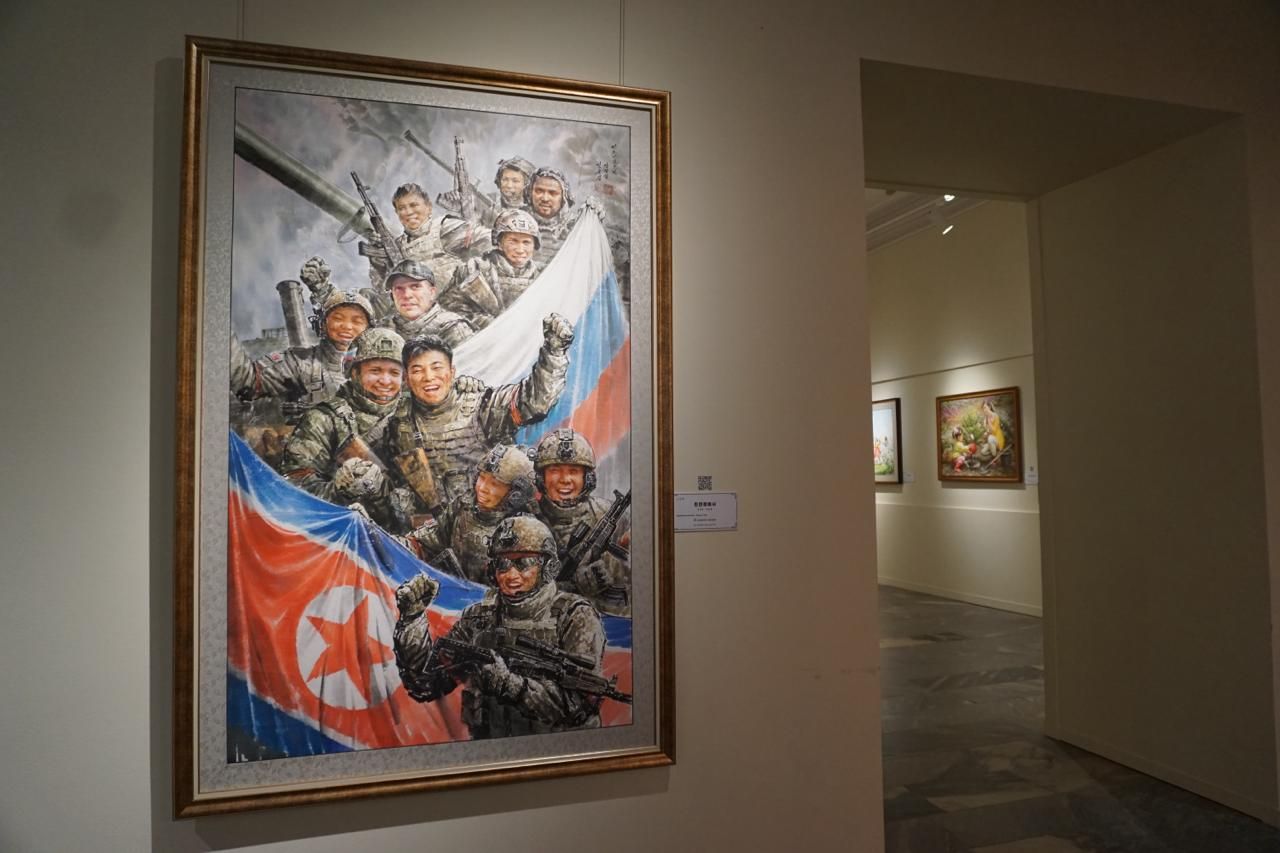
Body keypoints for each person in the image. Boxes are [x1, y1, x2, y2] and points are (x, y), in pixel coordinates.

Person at [393, 515, 607, 739]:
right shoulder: (479, 617)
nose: (511, 575)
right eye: (502, 564)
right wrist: (412, 619)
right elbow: (425, 684)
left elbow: (579, 705)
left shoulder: (575, 616)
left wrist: (511, 686)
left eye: (523, 563)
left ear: (548, 567)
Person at [380, 317, 573, 515]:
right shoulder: (398, 423)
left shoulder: (482, 406)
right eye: (417, 370)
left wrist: (554, 353)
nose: (428, 377)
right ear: (406, 379)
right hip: (439, 526)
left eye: (436, 368)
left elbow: (534, 401)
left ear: (452, 372)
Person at [278, 327, 405, 509]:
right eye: (375, 371)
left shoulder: (413, 414)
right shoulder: (323, 419)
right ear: (354, 373)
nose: (385, 381)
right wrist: (339, 491)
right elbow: (294, 489)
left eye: (394, 373)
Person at [402, 444, 538, 584]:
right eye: (482, 478)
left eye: (494, 484)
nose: (482, 488)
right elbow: (433, 537)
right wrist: (406, 545)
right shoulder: (463, 506)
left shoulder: (525, 531)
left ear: (515, 494)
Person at [533, 428, 631, 615]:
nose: (565, 480)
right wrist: (573, 586)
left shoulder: (609, 515)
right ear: (541, 478)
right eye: (555, 470)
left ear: (587, 478)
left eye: (574, 471)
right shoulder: (527, 521)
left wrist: (612, 565)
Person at [229, 288, 373, 408]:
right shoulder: (297, 362)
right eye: (338, 318)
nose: (347, 326)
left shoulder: (380, 368)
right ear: (323, 324)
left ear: (369, 329)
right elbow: (248, 383)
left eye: (357, 321)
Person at [365, 182, 482, 299]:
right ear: (397, 213)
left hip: (457, 299)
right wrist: (378, 264)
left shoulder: (444, 228)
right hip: (420, 305)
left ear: (428, 207)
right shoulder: (396, 246)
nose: (408, 212)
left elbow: (482, 240)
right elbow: (382, 291)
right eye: (401, 208)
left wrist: (467, 212)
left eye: (414, 205)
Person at [439, 208, 542, 330]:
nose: (520, 250)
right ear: (499, 242)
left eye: (526, 242)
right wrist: (484, 322)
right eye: (513, 241)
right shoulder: (474, 270)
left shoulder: (542, 276)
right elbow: (448, 308)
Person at [383, 259, 475, 346]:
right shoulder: (385, 330)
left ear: (432, 292)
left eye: (415, 287)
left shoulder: (452, 328)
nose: (406, 295)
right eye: (399, 289)